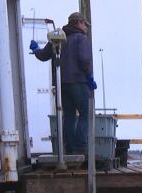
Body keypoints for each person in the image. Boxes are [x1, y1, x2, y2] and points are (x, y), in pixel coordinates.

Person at [30, 12, 97, 155]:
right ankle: (81, 147)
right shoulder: (81, 39)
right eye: (85, 24)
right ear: (78, 22)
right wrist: (89, 77)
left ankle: (70, 148)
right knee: (87, 113)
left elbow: (43, 55)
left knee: (69, 115)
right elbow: (84, 60)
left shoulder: (58, 38)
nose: (86, 27)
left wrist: (35, 49)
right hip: (78, 82)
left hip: (62, 85)